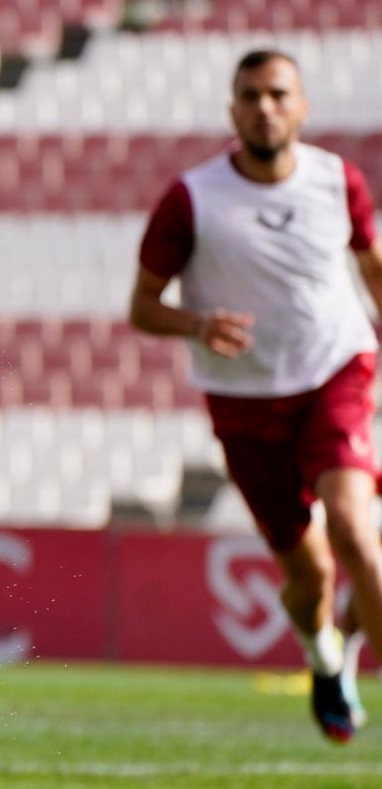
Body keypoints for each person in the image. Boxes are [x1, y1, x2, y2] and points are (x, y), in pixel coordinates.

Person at [130, 48, 377, 743]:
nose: (265, 107)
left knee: (356, 531)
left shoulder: (338, 182)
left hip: (335, 372)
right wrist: (195, 322)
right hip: (244, 406)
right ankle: (326, 656)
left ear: (301, 106)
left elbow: (373, 272)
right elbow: (142, 308)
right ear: (232, 110)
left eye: (277, 94)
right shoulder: (193, 199)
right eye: (250, 96)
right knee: (312, 579)